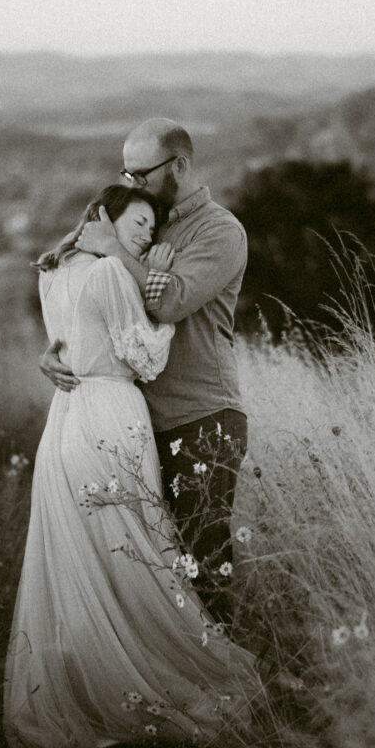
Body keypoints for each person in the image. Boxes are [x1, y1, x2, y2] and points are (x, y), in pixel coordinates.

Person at [4, 184, 258, 748]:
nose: (148, 234)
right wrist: (160, 316)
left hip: (65, 419)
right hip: (112, 412)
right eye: (139, 222)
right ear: (106, 219)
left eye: (152, 226)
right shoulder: (114, 275)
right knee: (136, 548)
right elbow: (145, 356)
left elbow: (63, 345)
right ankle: (148, 673)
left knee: (82, 554)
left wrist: (60, 356)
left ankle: (81, 682)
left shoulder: (53, 271)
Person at [41, 119, 248, 625]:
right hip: (133, 425)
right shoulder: (135, 218)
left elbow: (171, 299)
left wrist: (116, 252)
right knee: (148, 572)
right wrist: (57, 350)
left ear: (178, 166)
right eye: (126, 174)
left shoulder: (219, 231)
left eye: (142, 174)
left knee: (203, 562)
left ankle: (234, 679)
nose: (133, 184)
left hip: (200, 419)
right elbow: (79, 285)